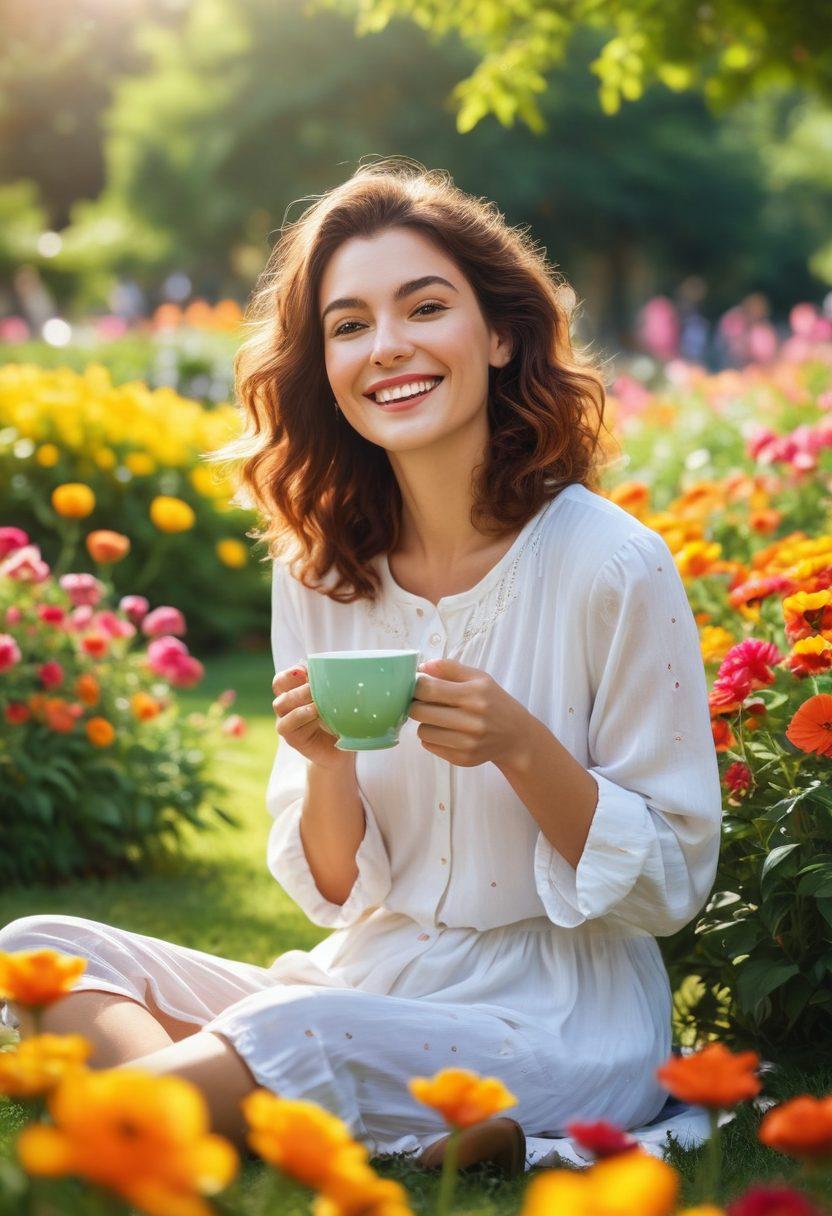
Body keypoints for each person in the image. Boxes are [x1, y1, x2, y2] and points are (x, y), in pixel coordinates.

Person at [0, 158, 723, 1175]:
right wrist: (326, 761)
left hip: (565, 1013)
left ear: (500, 333)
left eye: (424, 307)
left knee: (306, 1035)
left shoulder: (611, 563)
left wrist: (519, 743)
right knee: (42, 947)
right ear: (322, 365)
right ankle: (369, 1126)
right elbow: (336, 889)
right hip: (377, 976)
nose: (387, 347)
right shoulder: (323, 569)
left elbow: (669, 883)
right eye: (348, 324)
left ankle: (152, 1116)